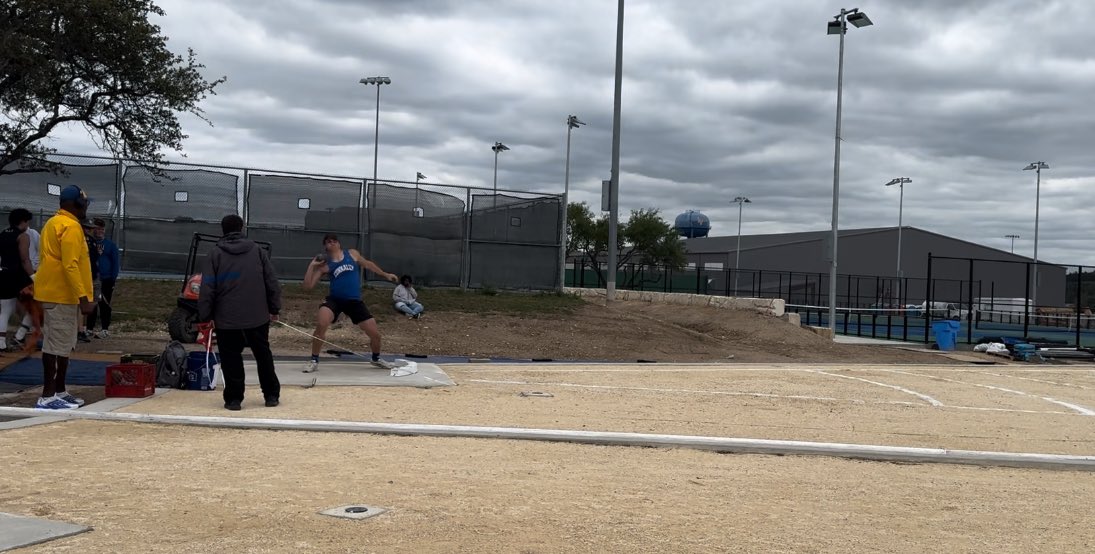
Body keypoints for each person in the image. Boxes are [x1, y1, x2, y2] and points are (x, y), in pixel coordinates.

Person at [197, 215, 282, 411]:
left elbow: (207, 288)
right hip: (257, 315)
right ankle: (271, 395)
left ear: (223, 230)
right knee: (263, 355)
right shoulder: (257, 251)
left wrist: (206, 316)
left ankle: (234, 399)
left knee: (231, 358)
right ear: (242, 228)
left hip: (227, 318)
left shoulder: (215, 254)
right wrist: (274, 308)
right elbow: (271, 282)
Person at [33, 185, 96, 410]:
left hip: (58, 293)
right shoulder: (70, 226)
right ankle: (48, 395)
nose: (86, 207)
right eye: (84, 203)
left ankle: (59, 390)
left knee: (63, 344)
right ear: (75, 204)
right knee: (54, 345)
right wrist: (83, 297)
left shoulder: (54, 222)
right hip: (62, 294)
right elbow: (70, 265)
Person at [302, 233, 398, 373]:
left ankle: (376, 359)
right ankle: (314, 360)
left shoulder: (352, 254)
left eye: (334, 240)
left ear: (339, 243)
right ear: (326, 247)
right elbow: (307, 287)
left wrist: (385, 274)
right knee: (322, 323)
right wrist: (311, 266)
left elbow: (368, 264)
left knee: (375, 334)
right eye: (329, 242)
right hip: (335, 300)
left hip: (353, 301)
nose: (332, 243)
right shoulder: (325, 265)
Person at [0, 209, 35, 351]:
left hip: (3, 274)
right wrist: (34, 277)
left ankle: (1, 342)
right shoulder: (23, 236)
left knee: (5, 310)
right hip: (19, 276)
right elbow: (24, 259)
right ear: (24, 221)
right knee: (35, 306)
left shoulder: (2, 234)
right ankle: (20, 335)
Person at [85, 218, 120, 338]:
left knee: (104, 304)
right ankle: (89, 328)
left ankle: (105, 329)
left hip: (107, 279)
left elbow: (115, 263)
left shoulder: (110, 245)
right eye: (97, 229)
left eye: (102, 229)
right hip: (93, 278)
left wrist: (113, 278)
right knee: (92, 303)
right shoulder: (90, 243)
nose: (99, 231)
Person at [12, 219, 41, 348]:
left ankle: (21, 334)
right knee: (33, 306)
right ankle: (21, 335)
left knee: (34, 307)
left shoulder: (33, 234)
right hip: (28, 274)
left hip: (33, 272)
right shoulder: (16, 235)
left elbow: (40, 251)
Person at [76, 220, 101, 343]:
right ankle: (80, 330)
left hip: (89, 275)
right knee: (82, 302)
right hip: (83, 275)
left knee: (87, 302)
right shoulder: (80, 240)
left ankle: (82, 329)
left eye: (89, 229)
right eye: (86, 228)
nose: (88, 231)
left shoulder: (91, 241)